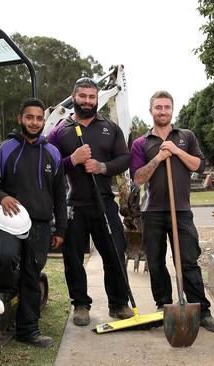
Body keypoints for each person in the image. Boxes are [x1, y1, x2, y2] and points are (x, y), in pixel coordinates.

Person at [129, 90, 214, 333]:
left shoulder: (186, 136)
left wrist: (176, 150)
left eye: (167, 107)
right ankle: (164, 307)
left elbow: (200, 166)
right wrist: (159, 157)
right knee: (156, 262)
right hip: (152, 212)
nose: (163, 111)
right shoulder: (141, 143)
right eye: (158, 107)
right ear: (151, 110)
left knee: (189, 261)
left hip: (181, 211)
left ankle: (201, 311)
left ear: (172, 110)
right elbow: (138, 178)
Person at [0, 98, 67, 347]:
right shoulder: (5, 149)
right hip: (8, 222)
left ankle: (28, 331)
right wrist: (2, 196)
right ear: (20, 119)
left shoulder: (53, 153)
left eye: (39, 118)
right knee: (5, 258)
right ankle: (6, 290)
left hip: (40, 225)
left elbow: (60, 195)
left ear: (43, 121)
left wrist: (60, 228)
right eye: (29, 117)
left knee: (32, 275)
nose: (34, 122)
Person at [47, 77, 133, 326]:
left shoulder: (110, 128)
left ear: (97, 99)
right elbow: (49, 168)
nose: (87, 101)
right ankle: (81, 305)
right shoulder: (59, 131)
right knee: (73, 258)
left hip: (104, 202)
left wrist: (102, 166)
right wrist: (71, 160)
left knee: (115, 253)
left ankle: (118, 305)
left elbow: (124, 159)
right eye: (82, 96)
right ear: (74, 97)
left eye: (91, 97)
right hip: (74, 204)